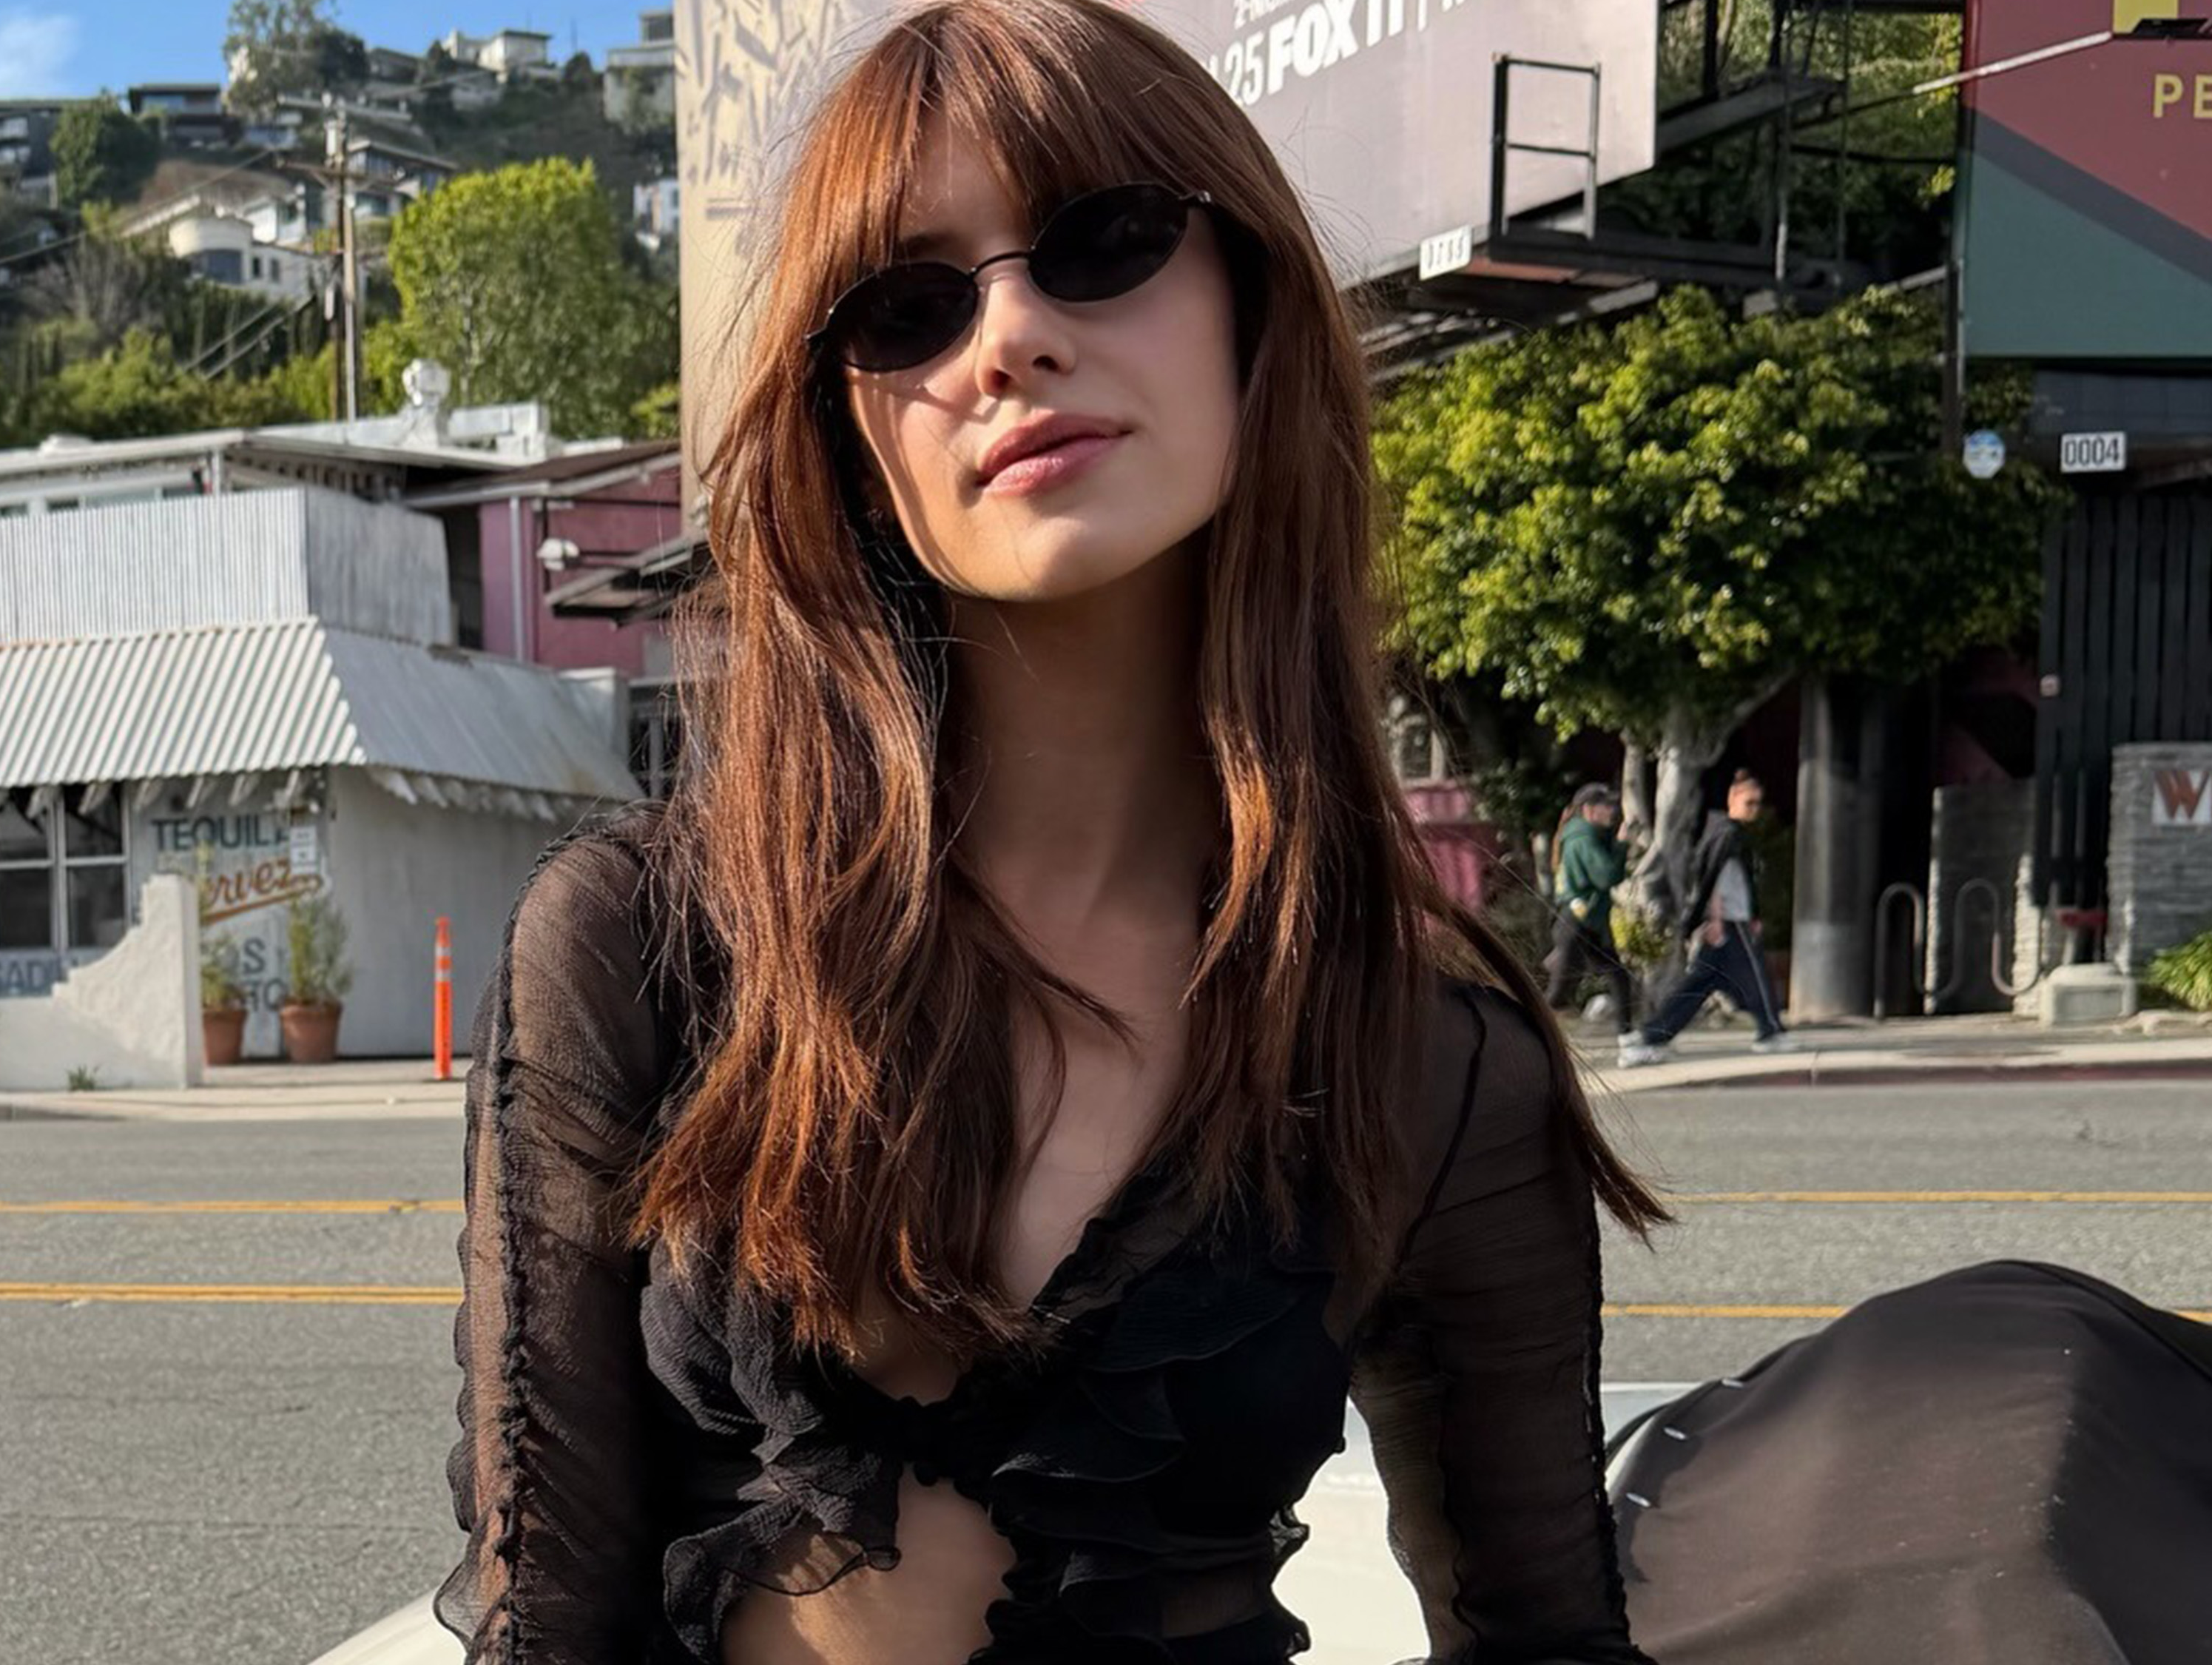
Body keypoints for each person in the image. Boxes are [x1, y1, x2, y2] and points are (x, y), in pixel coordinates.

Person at [439, 4, 1669, 1662]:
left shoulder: (1428, 1059)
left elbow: (1542, 1633)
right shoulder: (641, 946)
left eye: (1102, 239)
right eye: (906, 304)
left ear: (1245, 311)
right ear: (852, 439)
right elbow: (550, 1619)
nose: (1006, 335)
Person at [1620, 771, 1798, 1064]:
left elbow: (1720, 879)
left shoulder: (1721, 832)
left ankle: (1652, 1035)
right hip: (1728, 921)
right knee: (1756, 977)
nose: (1754, 809)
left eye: (1758, 804)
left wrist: (1745, 914)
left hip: (1730, 919)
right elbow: (1713, 880)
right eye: (1749, 802)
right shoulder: (1727, 834)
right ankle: (1770, 1031)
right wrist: (1715, 918)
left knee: (1699, 984)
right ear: (1732, 798)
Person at [1543, 783, 1645, 1063]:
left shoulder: (1586, 835)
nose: (1612, 811)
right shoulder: (1583, 839)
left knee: (1618, 976)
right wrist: (1622, 845)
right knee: (1558, 994)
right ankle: (1521, 1041)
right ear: (1589, 810)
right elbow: (1606, 876)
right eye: (1606, 806)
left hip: (1586, 923)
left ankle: (1628, 1041)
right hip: (1576, 923)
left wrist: (1616, 843)